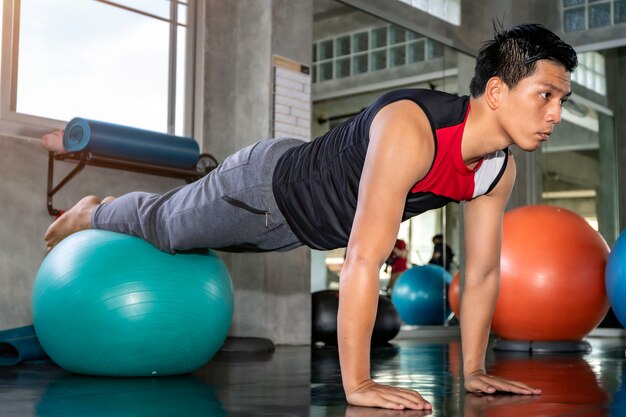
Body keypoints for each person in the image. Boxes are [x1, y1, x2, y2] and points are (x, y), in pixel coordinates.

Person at [44, 23, 576, 411]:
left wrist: (477, 370)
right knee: (164, 229)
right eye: (545, 95)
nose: (555, 113)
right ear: (498, 91)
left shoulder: (493, 172)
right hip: (261, 192)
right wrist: (359, 385)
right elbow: (363, 260)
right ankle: (97, 211)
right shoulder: (411, 128)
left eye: (563, 100)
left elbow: (481, 273)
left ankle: (105, 212)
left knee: (182, 241)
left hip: (297, 226)